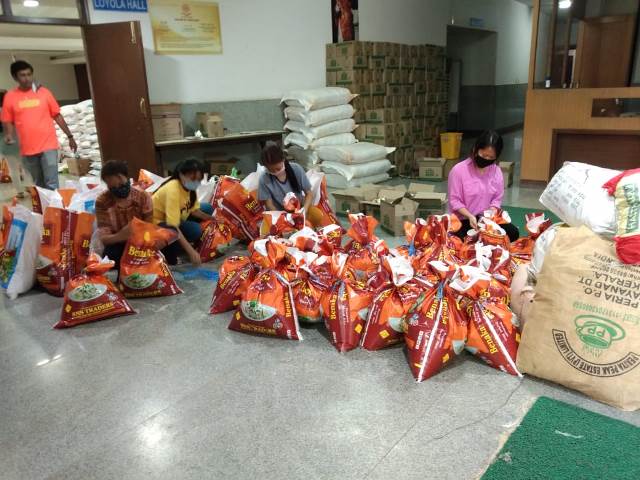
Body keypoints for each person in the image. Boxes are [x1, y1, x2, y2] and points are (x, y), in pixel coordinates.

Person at [1, 60, 77, 191]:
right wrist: (8, 134)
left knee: (52, 182)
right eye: (22, 75)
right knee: (38, 184)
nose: (27, 78)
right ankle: (45, 210)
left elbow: (57, 115)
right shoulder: (10, 97)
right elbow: (7, 119)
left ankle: (55, 210)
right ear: (15, 77)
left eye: (29, 74)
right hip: (27, 148)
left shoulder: (44, 93)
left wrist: (70, 136)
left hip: (48, 145)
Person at [448, 130, 520, 242]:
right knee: (460, 240)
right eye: (483, 155)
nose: (486, 159)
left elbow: (496, 199)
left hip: (485, 219)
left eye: (491, 158)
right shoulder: (458, 170)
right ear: (476, 149)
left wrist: (489, 216)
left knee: (513, 233)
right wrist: (470, 216)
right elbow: (454, 201)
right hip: (464, 219)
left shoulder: (496, 172)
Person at [152, 158, 213, 266]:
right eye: (193, 178)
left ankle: (185, 241)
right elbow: (173, 226)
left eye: (199, 179)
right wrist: (191, 251)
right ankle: (173, 249)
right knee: (195, 230)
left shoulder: (188, 187)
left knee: (207, 208)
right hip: (160, 224)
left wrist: (213, 219)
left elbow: (195, 211)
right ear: (181, 175)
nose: (196, 182)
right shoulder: (173, 190)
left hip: (178, 215)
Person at [95, 160, 154, 270]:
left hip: (141, 241)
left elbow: (149, 226)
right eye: (114, 187)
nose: (120, 188)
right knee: (111, 256)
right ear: (108, 185)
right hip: (119, 243)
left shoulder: (143, 196)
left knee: (166, 238)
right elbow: (104, 238)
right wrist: (122, 235)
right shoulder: (102, 201)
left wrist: (139, 236)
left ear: (127, 177)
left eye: (122, 184)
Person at [258, 141, 313, 212]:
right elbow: (269, 205)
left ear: (283, 160)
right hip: (279, 214)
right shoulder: (264, 178)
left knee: (316, 215)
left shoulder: (296, 169)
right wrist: (282, 217)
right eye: (271, 170)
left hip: (299, 209)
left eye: (278, 169)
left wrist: (304, 210)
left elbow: (309, 193)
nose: (275, 172)